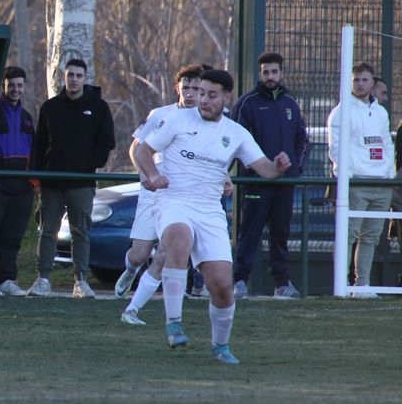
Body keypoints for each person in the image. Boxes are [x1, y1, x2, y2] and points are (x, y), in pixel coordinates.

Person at [135, 69, 291, 365]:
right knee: (179, 240)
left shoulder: (236, 133)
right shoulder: (178, 120)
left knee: (221, 286)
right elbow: (143, 151)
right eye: (201, 93)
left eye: (211, 95)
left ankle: (220, 347)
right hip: (173, 201)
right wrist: (153, 175)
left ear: (226, 97)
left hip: (209, 210)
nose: (203, 100)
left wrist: (278, 167)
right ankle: (174, 324)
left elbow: (266, 170)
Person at [114, 64, 206, 325]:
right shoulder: (161, 114)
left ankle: (137, 308)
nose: (190, 93)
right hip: (153, 192)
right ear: (177, 88)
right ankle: (131, 270)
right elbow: (136, 149)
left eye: (196, 88)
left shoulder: (207, 119)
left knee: (167, 252)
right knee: (139, 254)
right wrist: (146, 175)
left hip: (180, 197)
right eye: (186, 88)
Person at [28, 58, 115, 298]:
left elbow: (106, 141)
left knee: (81, 232)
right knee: (47, 231)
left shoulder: (99, 107)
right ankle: (42, 280)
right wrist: (36, 176)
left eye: (78, 75)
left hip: (81, 182)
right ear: (63, 77)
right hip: (51, 182)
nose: (74, 79)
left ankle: (81, 281)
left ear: (85, 78)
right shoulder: (50, 107)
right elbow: (39, 143)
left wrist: (90, 164)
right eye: (70, 75)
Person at [230, 52, 308, 300]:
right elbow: (234, 142)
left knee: (280, 233)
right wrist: (253, 170)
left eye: (274, 72)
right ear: (260, 73)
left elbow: (302, 139)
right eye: (266, 72)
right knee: (249, 231)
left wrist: (295, 168)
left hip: (285, 183)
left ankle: (282, 284)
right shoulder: (246, 103)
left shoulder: (290, 103)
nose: (270, 76)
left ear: (281, 73)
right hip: (255, 184)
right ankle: (239, 281)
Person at [327, 62, 394, 298]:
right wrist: (347, 175)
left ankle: (361, 286)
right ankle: (341, 286)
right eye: (356, 80)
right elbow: (335, 148)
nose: (360, 84)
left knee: (371, 237)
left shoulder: (381, 112)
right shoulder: (340, 112)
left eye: (365, 79)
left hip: (381, 183)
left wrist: (389, 173)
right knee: (347, 236)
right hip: (355, 184)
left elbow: (386, 143)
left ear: (372, 82)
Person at [0, 66, 34, 297]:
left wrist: (32, 182)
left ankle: (7, 279)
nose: (15, 89)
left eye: (19, 85)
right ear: (4, 86)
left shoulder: (27, 118)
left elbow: (35, 151)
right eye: (11, 85)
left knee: (13, 236)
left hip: (22, 187)